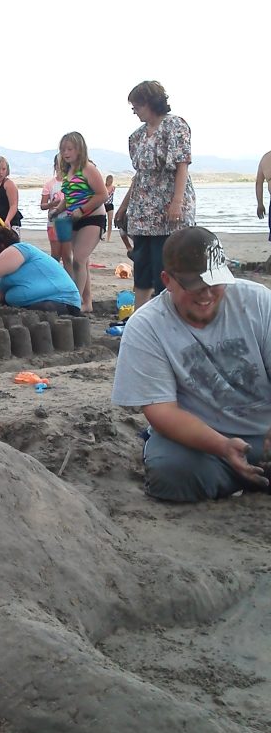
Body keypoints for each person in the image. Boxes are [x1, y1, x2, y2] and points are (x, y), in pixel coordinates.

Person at [111, 226, 271, 503]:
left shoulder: (258, 301)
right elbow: (161, 411)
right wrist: (221, 446)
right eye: (194, 285)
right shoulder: (146, 326)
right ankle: (241, 476)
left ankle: (247, 477)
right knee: (171, 473)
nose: (206, 294)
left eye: (215, 283)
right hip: (199, 440)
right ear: (167, 280)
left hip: (263, 432)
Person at [114, 80, 196, 311]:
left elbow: (182, 165)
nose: (135, 112)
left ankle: (168, 314)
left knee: (164, 263)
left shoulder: (175, 126)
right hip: (142, 209)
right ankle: (139, 317)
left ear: (150, 102)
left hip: (167, 205)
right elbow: (140, 175)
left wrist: (176, 202)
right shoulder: (137, 136)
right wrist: (124, 206)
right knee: (141, 263)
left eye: (137, 106)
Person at [49, 132, 107, 313]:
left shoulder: (88, 168)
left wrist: (82, 210)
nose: (65, 153)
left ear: (79, 149)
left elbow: (102, 194)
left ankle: (74, 302)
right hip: (73, 219)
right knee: (83, 262)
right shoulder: (68, 171)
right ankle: (86, 302)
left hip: (93, 218)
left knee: (79, 260)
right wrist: (58, 210)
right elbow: (69, 196)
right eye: (62, 149)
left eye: (69, 149)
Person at [40, 154, 71, 273]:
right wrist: (53, 204)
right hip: (54, 223)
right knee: (56, 256)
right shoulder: (50, 184)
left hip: (69, 222)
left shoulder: (71, 182)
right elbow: (42, 205)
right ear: (55, 166)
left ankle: (70, 281)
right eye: (59, 164)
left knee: (68, 256)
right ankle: (55, 278)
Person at [255, 150, 271, 229]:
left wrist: (260, 204)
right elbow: (259, 183)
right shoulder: (265, 158)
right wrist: (260, 204)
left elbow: (259, 183)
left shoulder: (265, 158)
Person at [103, 174, 116, 241]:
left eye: (111, 181)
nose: (110, 182)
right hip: (103, 204)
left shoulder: (113, 187)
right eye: (109, 181)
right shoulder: (103, 187)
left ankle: (108, 237)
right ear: (107, 180)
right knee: (102, 219)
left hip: (110, 205)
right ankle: (102, 234)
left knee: (110, 221)